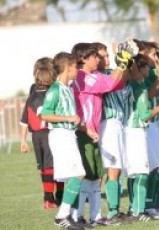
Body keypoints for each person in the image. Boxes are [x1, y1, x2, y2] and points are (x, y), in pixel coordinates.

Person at [70, 41, 138, 225]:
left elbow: (115, 83)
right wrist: (122, 62)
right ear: (84, 59)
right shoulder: (84, 77)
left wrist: (125, 64)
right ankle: (74, 216)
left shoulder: (93, 75)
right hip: (84, 131)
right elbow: (109, 84)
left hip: (92, 131)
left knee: (94, 176)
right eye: (96, 56)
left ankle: (94, 216)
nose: (99, 59)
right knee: (84, 175)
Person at [124, 53, 159, 222]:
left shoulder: (140, 85)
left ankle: (145, 208)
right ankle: (137, 211)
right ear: (139, 68)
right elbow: (144, 116)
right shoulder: (137, 86)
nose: (150, 68)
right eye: (147, 66)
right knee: (140, 172)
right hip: (134, 131)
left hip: (141, 131)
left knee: (150, 169)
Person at [40, 52, 85, 230]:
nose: (77, 70)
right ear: (67, 68)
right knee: (78, 173)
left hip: (69, 135)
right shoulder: (55, 89)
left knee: (73, 176)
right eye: (75, 67)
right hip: (60, 135)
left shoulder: (68, 88)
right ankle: (61, 216)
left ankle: (70, 217)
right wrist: (68, 117)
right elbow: (45, 114)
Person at [20, 57, 64, 209]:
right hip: (49, 132)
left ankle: (48, 198)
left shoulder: (31, 95)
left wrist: (23, 140)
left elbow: (24, 119)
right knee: (56, 166)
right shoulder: (53, 92)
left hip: (36, 136)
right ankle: (58, 197)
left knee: (45, 167)